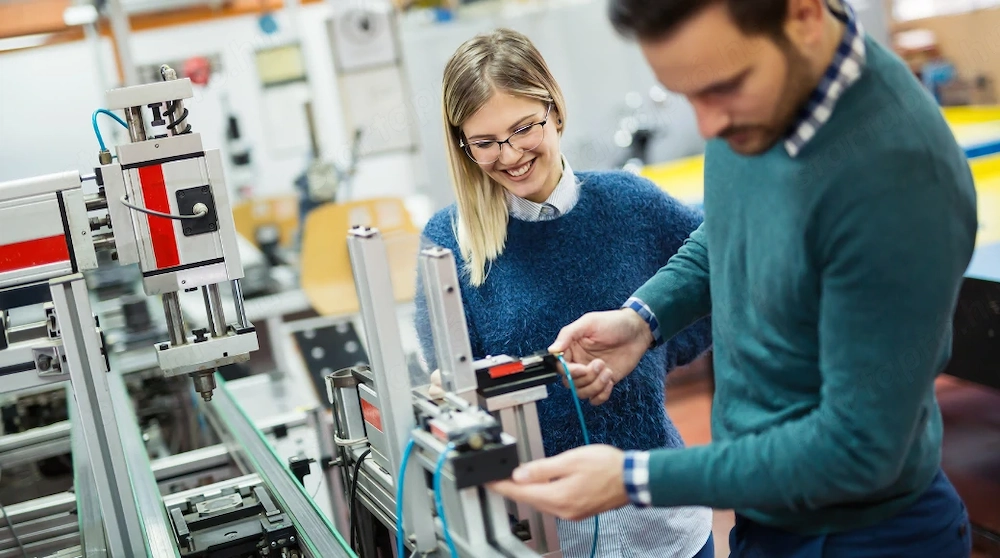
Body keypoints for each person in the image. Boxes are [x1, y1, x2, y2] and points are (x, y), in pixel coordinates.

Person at [490, 1, 978, 557]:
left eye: (721, 89)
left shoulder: (898, 177)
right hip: (765, 513)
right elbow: (728, 229)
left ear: (803, 16)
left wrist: (634, 479)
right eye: (688, 96)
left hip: (865, 534)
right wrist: (645, 319)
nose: (707, 126)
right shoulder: (755, 96)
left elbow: (856, 449)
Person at [413, 28, 715, 558]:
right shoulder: (449, 241)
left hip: (663, 522)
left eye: (522, 128)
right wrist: (526, 383)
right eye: (484, 143)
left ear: (553, 107)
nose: (509, 155)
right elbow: (454, 383)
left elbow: (712, 287)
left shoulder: (631, 203)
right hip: (546, 532)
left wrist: (644, 350)